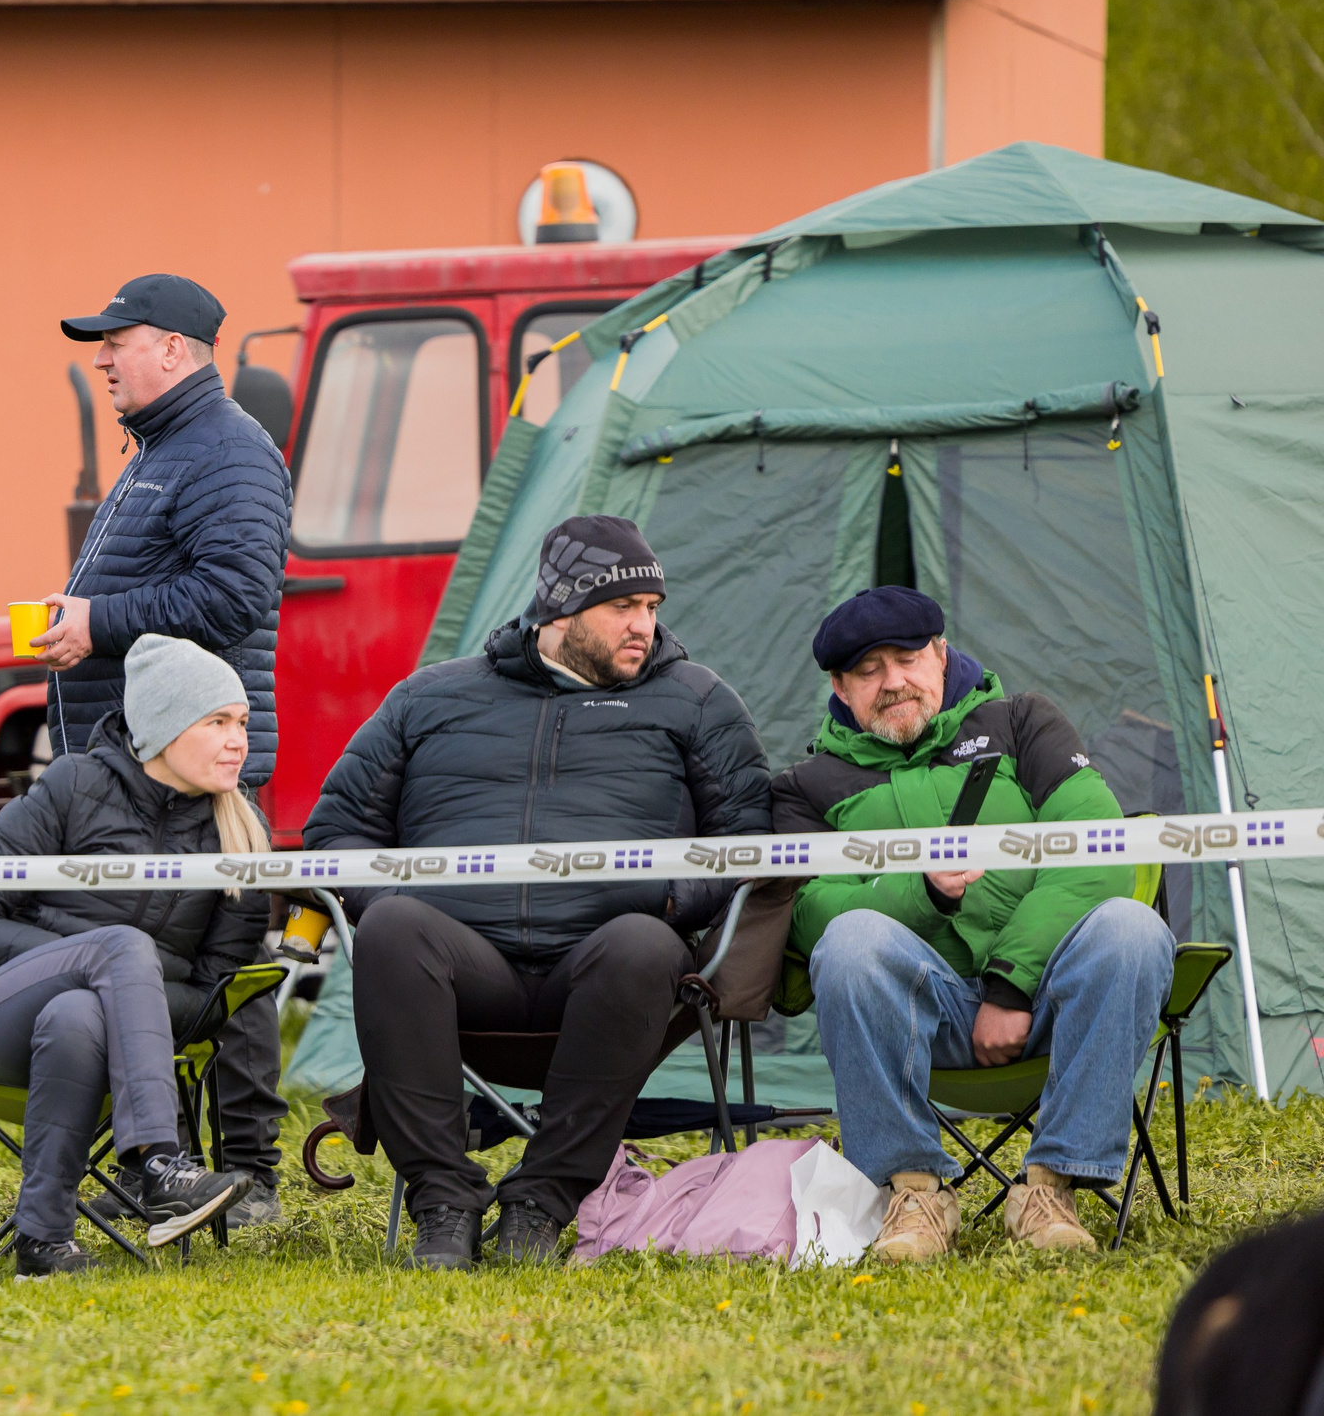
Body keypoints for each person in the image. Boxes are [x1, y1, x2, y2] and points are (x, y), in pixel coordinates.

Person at [307, 515, 771, 1270]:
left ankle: (543, 1199)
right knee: (392, 928)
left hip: (611, 970)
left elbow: (750, 835)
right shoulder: (429, 699)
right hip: (461, 971)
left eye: (653, 609)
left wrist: (671, 902)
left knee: (642, 943)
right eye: (624, 608)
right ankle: (443, 1202)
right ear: (561, 607)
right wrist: (381, 898)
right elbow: (337, 832)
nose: (644, 628)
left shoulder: (695, 700)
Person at [777, 586, 1174, 1260]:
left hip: (1050, 995)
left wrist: (1011, 987)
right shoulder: (806, 785)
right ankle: (914, 1195)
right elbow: (811, 914)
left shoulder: (1024, 722)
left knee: (1131, 929)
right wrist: (921, 889)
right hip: (914, 1018)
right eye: (868, 672)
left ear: (940, 654)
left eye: (905, 659)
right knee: (848, 944)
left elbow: (1100, 848)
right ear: (841, 689)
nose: (892, 682)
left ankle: (1050, 1188)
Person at [41, 271, 294, 1225]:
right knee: (141, 962)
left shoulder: (225, 452)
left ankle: (251, 1174)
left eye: (118, 339)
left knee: (225, 968)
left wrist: (97, 620)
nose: (101, 357)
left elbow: (234, 599)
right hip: (136, 766)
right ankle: (161, 1164)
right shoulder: (164, 449)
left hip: (198, 768)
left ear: (177, 351)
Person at [0, 635, 269, 1278]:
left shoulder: (239, 830)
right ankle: (156, 1164)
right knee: (117, 950)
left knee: (80, 1014)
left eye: (243, 724)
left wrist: (115, 990)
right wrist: (90, 957)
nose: (239, 741)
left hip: (106, 1040)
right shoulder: (72, 785)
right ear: (166, 727)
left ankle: (42, 1242)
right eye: (218, 722)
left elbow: (209, 998)